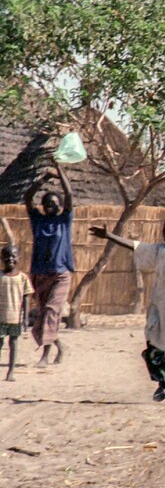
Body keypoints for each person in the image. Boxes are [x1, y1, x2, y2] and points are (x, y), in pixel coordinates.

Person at [90, 210, 165, 405]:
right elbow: (135, 246)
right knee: (152, 349)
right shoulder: (159, 250)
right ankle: (164, 381)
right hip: (160, 307)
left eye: (164, 229)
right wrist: (109, 236)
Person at [24, 159, 75, 368]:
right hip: (40, 273)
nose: (51, 206)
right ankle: (60, 346)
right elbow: (27, 197)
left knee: (51, 311)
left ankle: (44, 356)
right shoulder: (38, 220)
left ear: (60, 206)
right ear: (43, 207)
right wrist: (44, 178)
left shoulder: (64, 220)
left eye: (55, 204)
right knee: (44, 314)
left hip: (60, 273)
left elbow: (70, 195)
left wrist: (60, 172)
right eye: (47, 204)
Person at [0, 244, 33, 381]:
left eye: (14, 256)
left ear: (19, 258)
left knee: (13, 343)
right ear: (1, 258)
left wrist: (26, 318)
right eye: (7, 256)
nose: (10, 259)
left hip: (15, 317)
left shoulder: (23, 278)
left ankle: (11, 372)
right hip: (0, 317)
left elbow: (26, 297)